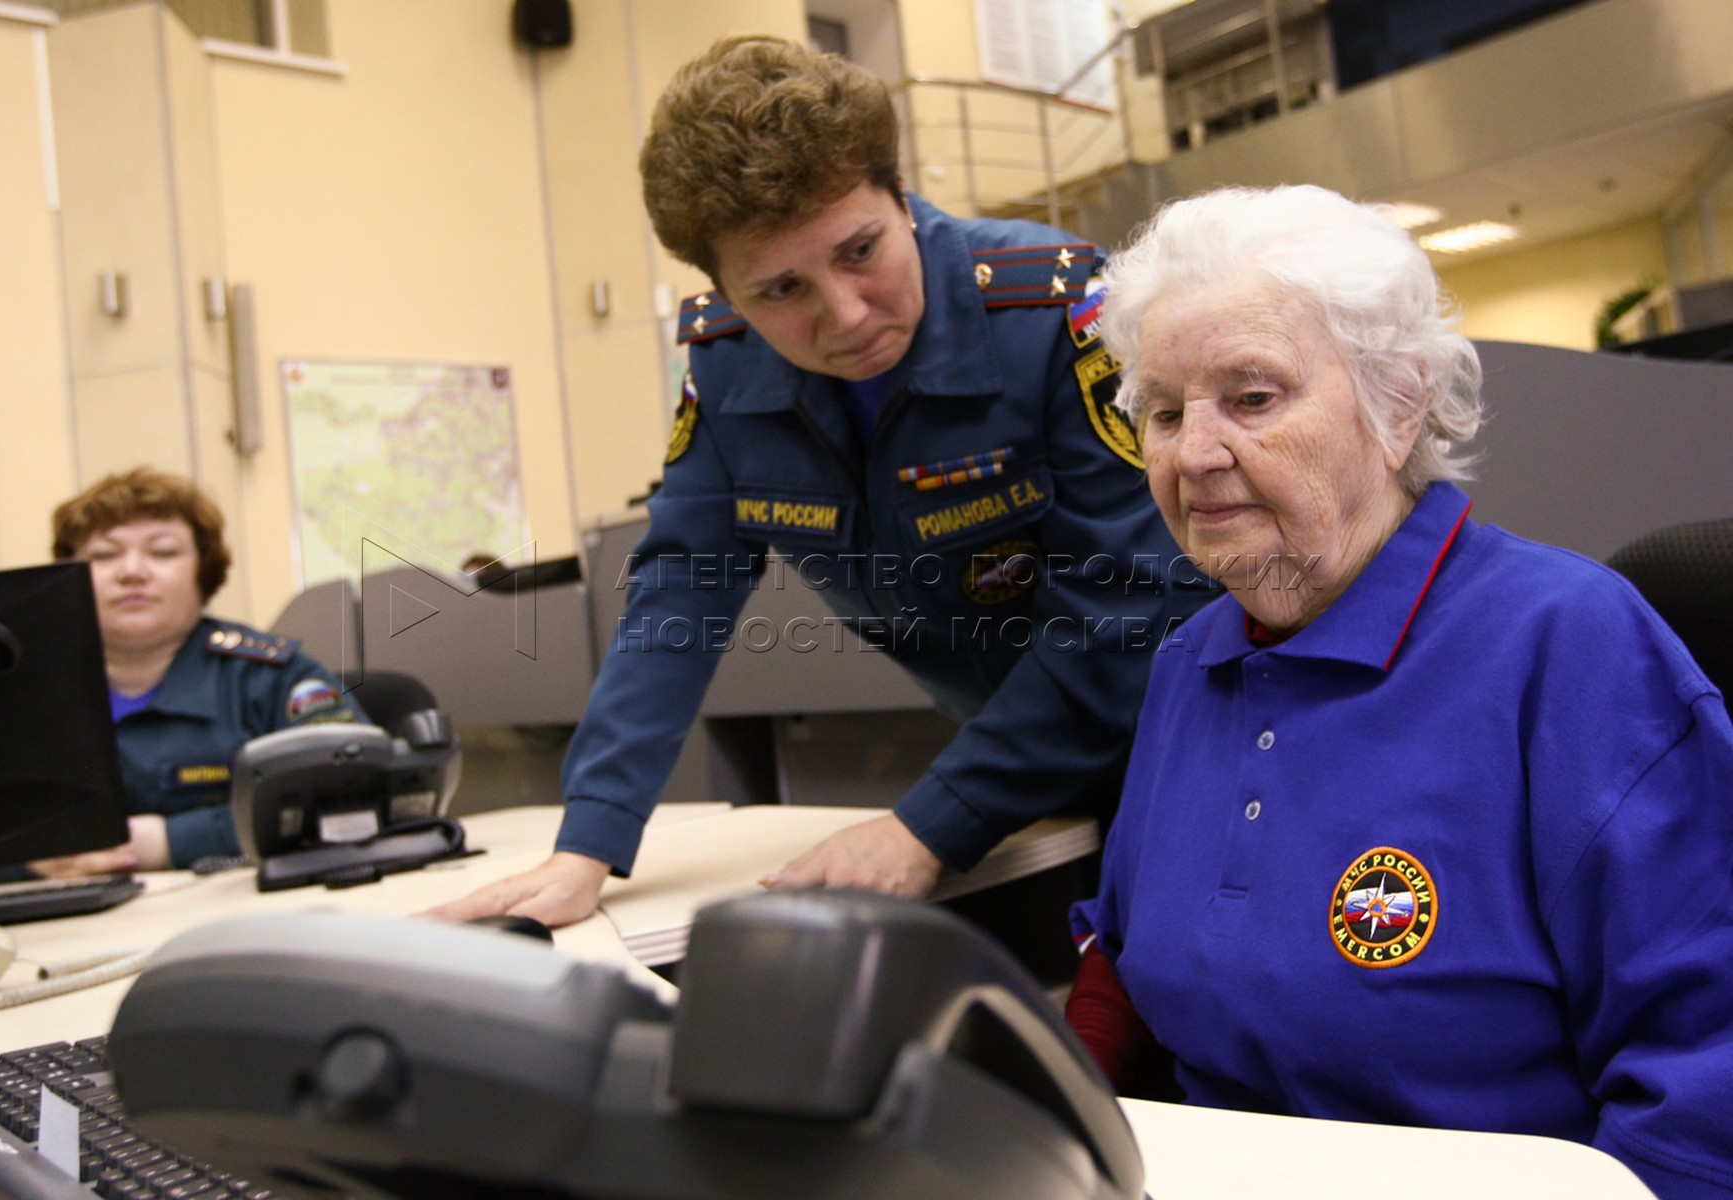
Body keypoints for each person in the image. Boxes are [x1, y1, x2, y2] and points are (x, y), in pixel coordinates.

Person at [430, 36, 1208, 928]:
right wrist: (590, 841)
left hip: (1192, 744)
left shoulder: (1051, 310)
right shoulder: (726, 370)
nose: (843, 315)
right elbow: (679, 591)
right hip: (1020, 765)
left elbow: (1129, 613)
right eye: (779, 290)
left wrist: (927, 825)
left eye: (860, 250)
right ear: (721, 287)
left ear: (901, 197)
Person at [1066, 184, 1733, 1198]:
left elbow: (1707, 1069)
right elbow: (1122, 951)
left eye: (1253, 397)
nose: (1193, 454)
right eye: (1162, 411)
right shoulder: (1189, 662)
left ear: (1398, 405)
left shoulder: (1569, 647)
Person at [36, 467, 366, 876]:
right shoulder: (19, 694)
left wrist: (171, 842)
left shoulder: (270, 679)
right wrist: (30, 860)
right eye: (104, 555)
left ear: (203, 572)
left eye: (162, 552)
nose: (132, 571)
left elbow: (353, 798)